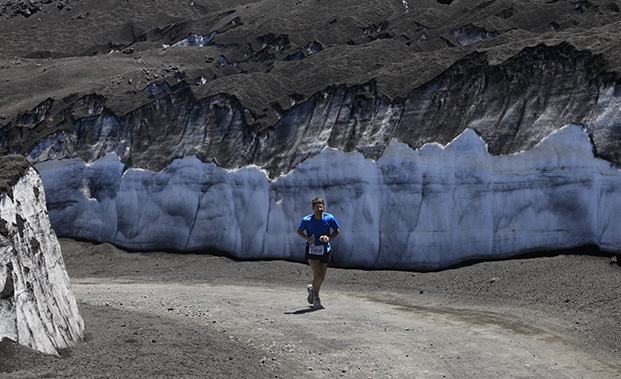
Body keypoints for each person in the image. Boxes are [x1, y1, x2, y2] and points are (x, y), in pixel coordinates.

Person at [296, 197, 340, 309]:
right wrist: (308, 238)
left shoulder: (329, 218)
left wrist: (328, 238)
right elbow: (299, 231)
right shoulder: (306, 220)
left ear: (324, 207)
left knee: (321, 277)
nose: (319, 209)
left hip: (325, 250)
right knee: (318, 274)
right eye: (317, 207)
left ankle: (312, 290)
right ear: (313, 208)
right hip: (312, 250)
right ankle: (316, 297)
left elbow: (337, 230)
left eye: (321, 206)